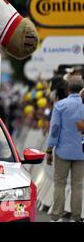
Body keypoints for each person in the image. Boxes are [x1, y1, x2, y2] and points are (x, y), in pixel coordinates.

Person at [46, 76, 84, 222]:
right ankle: (76, 217)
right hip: (81, 151)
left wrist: (49, 150)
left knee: (59, 184)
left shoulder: (60, 105)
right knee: (78, 186)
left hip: (62, 150)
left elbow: (55, 129)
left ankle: (56, 216)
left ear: (68, 89)